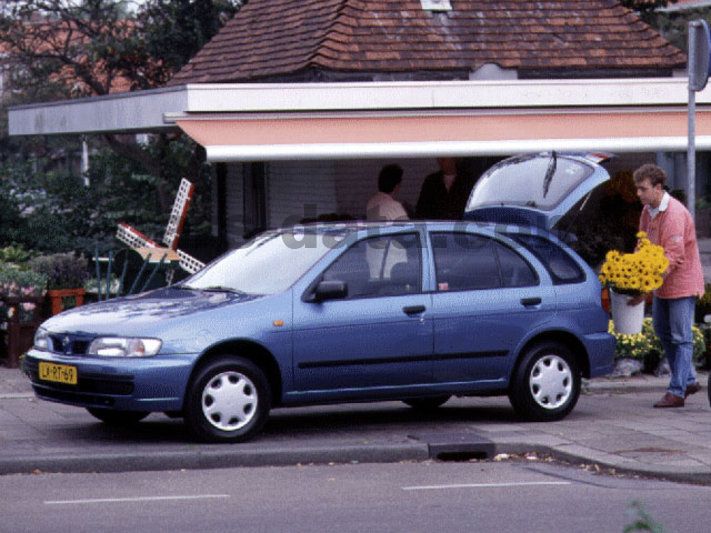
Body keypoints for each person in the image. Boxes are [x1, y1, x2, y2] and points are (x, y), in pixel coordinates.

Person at [632, 164, 705, 408]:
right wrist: (634, 275)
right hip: (662, 283)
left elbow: (673, 256)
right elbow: (642, 245)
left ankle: (677, 391)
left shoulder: (674, 214)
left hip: (682, 283)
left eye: (643, 189)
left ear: (658, 188)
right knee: (662, 330)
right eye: (638, 189)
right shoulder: (647, 211)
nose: (639, 194)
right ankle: (689, 379)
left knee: (681, 337)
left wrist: (646, 287)